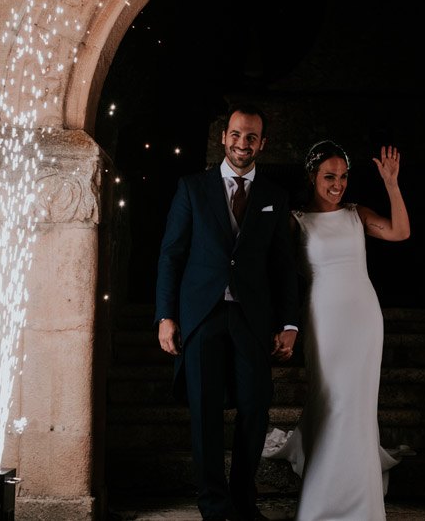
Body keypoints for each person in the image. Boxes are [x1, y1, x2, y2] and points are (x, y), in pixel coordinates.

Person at [155, 104, 299, 521]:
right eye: (236, 134)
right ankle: (215, 507)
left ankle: (243, 501)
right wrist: (165, 315)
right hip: (202, 316)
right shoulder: (192, 188)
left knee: (255, 408)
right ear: (224, 137)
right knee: (205, 413)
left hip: (252, 318)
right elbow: (171, 255)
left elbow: (283, 265)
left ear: (262, 143)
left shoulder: (274, 196)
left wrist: (289, 323)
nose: (243, 143)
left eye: (251, 136)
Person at [263, 140, 411, 521]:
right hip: (323, 319)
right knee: (332, 403)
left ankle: (361, 505)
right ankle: (320, 504)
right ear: (313, 176)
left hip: (364, 318)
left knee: (359, 409)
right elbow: (277, 273)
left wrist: (391, 185)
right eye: (330, 176)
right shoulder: (295, 219)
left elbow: (399, 233)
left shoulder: (355, 213)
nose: (338, 184)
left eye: (343, 177)